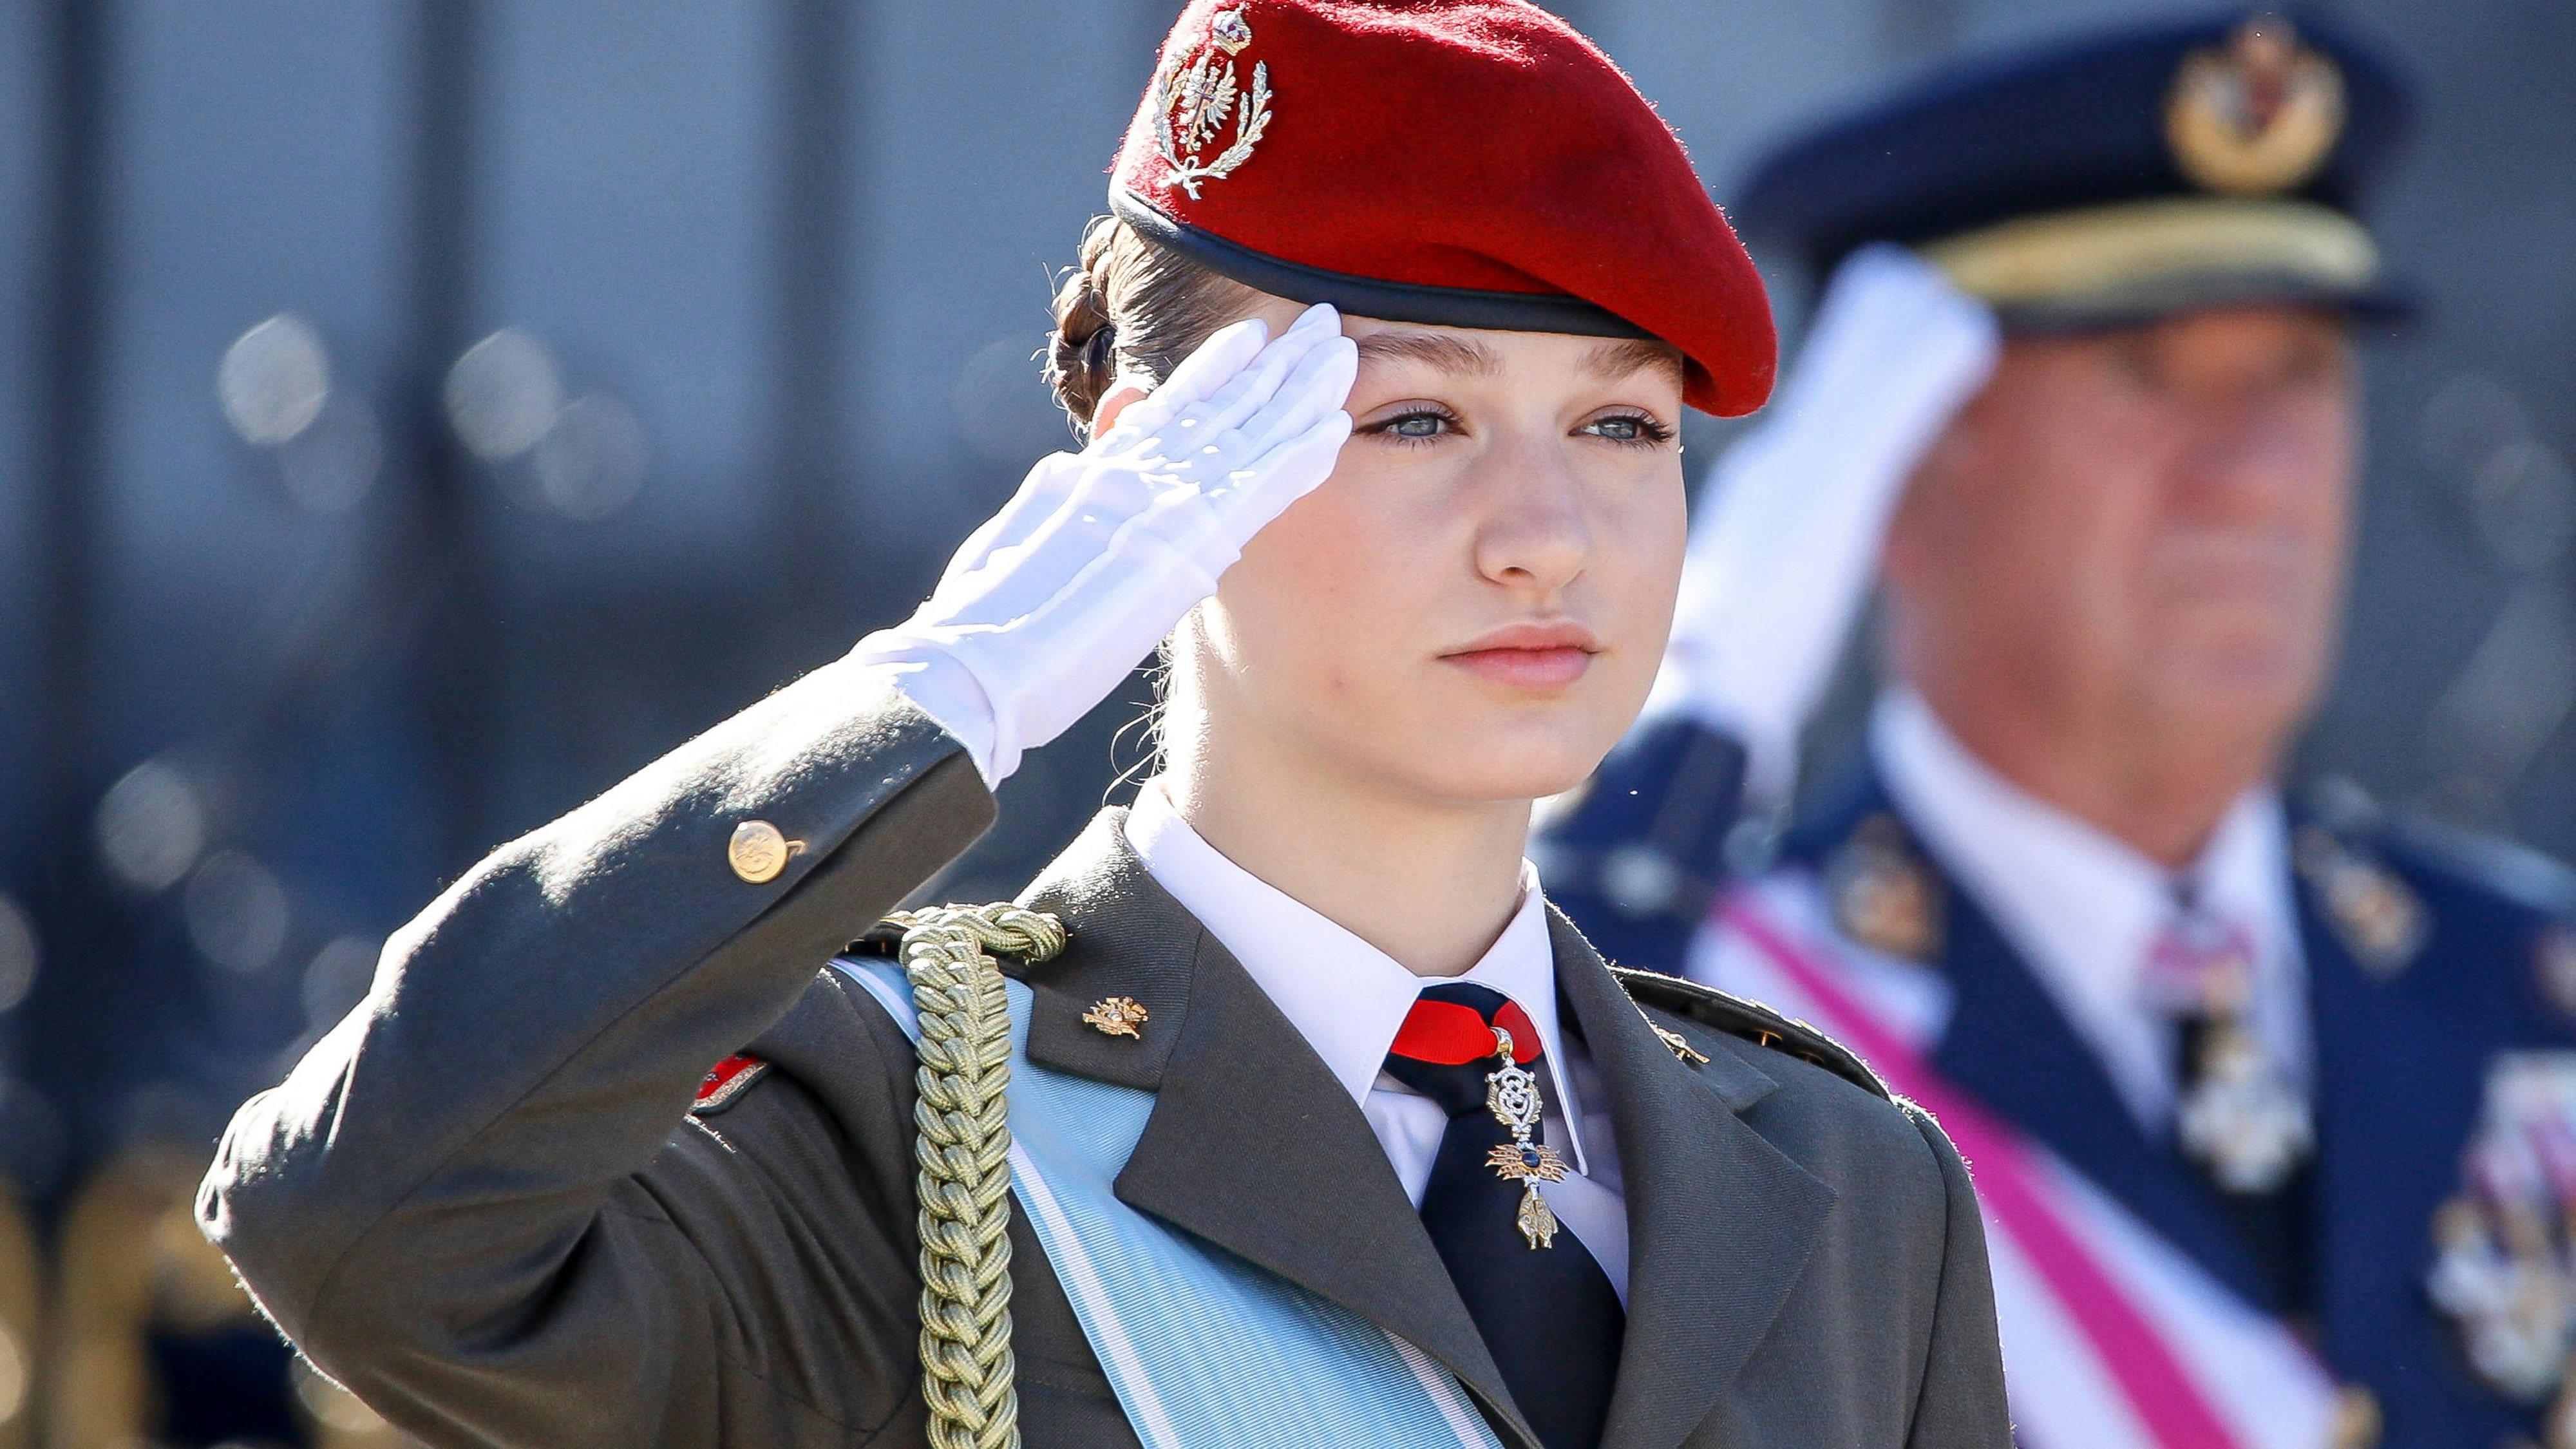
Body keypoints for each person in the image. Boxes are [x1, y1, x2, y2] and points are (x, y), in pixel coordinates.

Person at [195, 4, 2011, 1448]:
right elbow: (354, 1228)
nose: (1547, 531)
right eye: (1411, 423)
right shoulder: (901, 1124)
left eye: (1621, 428)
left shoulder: (1846, 1189)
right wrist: (942, 690)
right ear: (1154, 477)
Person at [1540, 12, 2576, 1448]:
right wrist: (1679, 724)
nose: (2251, 476)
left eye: (2294, 373)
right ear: (1893, 469)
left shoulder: (2519, 989)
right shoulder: (1712, 1027)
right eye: (2144, 373)